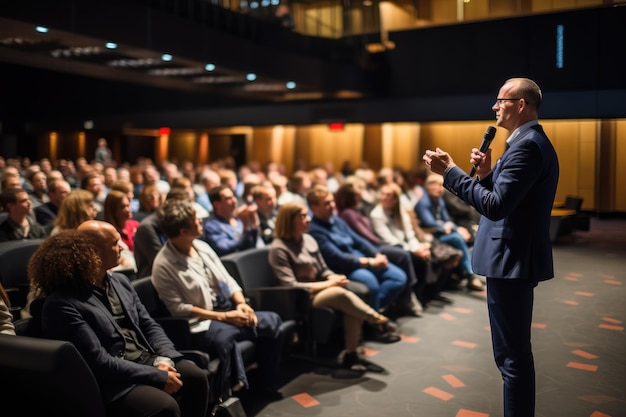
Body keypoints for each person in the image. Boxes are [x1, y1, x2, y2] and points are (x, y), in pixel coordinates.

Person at [422, 77, 559, 417]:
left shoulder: (527, 146)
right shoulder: (525, 142)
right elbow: (502, 199)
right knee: (512, 354)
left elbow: (497, 207)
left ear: (521, 105)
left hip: (510, 261)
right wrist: (484, 174)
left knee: (512, 357)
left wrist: (451, 172)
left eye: (500, 100)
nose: (494, 107)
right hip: (513, 259)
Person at [28, 222, 209, 417]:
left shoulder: (120, 282)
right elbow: (99, 361)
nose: (123, 246)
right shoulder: (62, 303)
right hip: (114, 380)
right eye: (115, 243)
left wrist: (165, 359)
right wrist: (156, 375)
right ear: (93, 252)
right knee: (164, 406)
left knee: (196, 377)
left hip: (147, 359)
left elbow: (148, 325)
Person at [151, 199, 284, 400]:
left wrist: (242, 304)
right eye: (196, 220)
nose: (201, 221)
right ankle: (232, 391)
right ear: (183, 231)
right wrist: (223, 317)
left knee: (272, 320)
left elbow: (227, 281)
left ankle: (264, 384)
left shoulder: (201, 247)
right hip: (202, 323)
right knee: (225, 338)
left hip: (227, 310)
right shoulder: (163, 265)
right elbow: (179, 308)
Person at [269, 202, 399, 371]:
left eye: (307, 214)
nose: (308, 219)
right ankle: (378, 320)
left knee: (353, 292)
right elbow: (291, 286)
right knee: (340, 293)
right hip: (302, 297)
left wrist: (333, 276)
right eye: (302, 216)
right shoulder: (278, 248)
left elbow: (323, 269)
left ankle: (351, 353)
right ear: (289, 220)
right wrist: (330, 283)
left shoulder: (308, 239)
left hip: (322, 289)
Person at [306, 185, 407, 313]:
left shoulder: (337, 221)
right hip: (347, 267)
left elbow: (359, 240)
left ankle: (371, 312)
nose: (332, 205)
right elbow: (337, 257)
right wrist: (370, 262)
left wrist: (376, 255)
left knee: (399, 277)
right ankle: (374, 322)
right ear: (314, 208)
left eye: (332, 201)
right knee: (372, 286)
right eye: (326, 203)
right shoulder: (315, 231)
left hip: (362, 259)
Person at [371, 182, 457, 306]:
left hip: (406, 246)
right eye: (383, 194)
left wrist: (418, 247)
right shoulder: (377, 214)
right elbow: (390, 240)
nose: (383, 197)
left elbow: (409, 234)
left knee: (427, 256)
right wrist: (414, 251)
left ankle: (425, 294)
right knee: (417, 259)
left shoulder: (400, 211)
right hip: (391, 247)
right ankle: (413, 296)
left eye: (388, 195)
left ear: (395, 199)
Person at [415, 173, 485, 292]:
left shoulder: (439, 201)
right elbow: (430, 222)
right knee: (457, 238)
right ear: (428, 186)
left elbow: (447, 220)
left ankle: (465, 273)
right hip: (429, 236)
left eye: (441, 185)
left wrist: (455, 228)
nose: (439, 188)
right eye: (436, 185)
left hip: (440, 233)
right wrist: (448, 227)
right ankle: (469, 274)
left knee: (463, 236)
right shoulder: (423, 202)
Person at [201, 184, 264, 257]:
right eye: (228, 198)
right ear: (217, 204)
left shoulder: (239, 219)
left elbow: (253, 243)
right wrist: (245, 228)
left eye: (233, 196)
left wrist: (255, 224)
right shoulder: (212, 226)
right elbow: (224, 248)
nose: (234, 201)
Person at [103, 189, 139, 272]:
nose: (128, 210)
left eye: (128, 205)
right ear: (113, 210)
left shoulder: (135, 225)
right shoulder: (108, 232)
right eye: (123, 207)